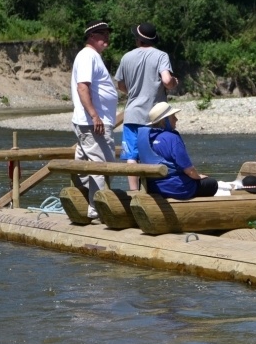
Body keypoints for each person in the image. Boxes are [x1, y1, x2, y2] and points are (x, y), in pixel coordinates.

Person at [115, 23, 179, 191]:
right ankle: (160, 189)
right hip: (155, 115)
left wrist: (134, 92)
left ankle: (134, 192)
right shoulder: (161, 56)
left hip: (132, 114)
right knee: (158, 150)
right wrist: (174, 82)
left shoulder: (126, 57)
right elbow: (167, 81)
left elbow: (120, 85)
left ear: (138, 39)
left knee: (131, 156)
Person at [70, 20, 119, 220]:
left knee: (85, 164)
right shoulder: (87, 56)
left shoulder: (92, 56)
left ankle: (81, 201)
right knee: (102, 165)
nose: (107, 37)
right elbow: (83, 87)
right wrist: (95, 115)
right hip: (93, 122)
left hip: (92, 122)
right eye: (102, 33)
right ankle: (97, 208)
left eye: (107, 33)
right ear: (91, 36)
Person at [138, 102, 218, 199]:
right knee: (212, 184)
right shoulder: (172, 138)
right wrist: (199, 177)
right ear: (164, 120)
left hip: (151, 187)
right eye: (173, 117)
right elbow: (189, 171)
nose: (176, 119)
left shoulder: (146, 139)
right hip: (176, 188)